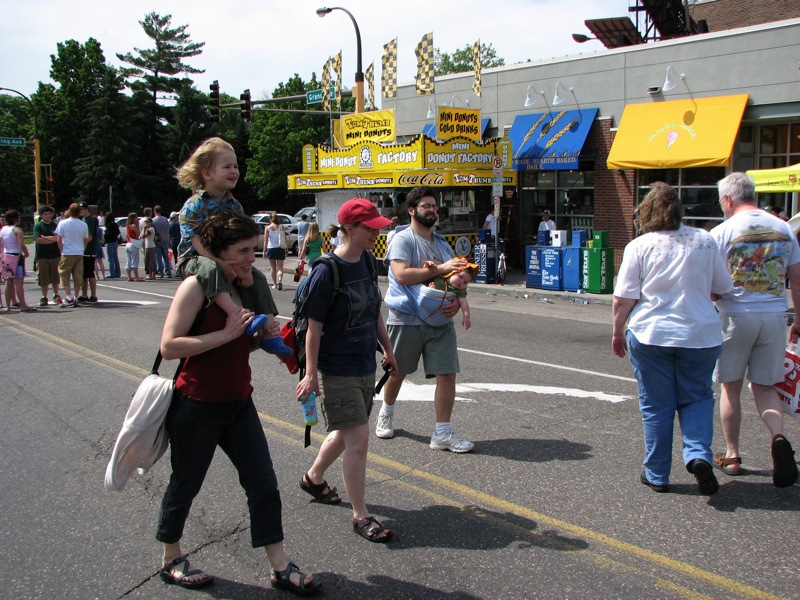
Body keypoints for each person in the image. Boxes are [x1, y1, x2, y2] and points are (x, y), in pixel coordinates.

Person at [157, 212, 321, 594]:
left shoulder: (244, 286)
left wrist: (261, 338)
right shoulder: (196, 287)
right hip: (196, 404)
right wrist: (226, 333)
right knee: (185, 485)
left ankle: (279, 566)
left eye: (254, 249)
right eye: (242, 251)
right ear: (217, 252)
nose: (252, 257)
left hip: (238, 402)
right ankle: (171, 557)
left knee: (263, 483)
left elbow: (243, 342)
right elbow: (169, 347)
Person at [612, 182, 733, 495]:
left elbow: (623, 297)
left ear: (647, 213)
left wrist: (617, 331)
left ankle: (657, 474)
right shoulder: (705, 242)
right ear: (679, 210)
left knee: (657, 405)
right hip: (701, 333)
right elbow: (723, 287)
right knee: (697, 397)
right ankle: (697, 456)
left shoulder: (640, 246)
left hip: (651, 333)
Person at [296, 198, 398, 543]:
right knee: (358, 439)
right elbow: (313, 327)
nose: (376, 233)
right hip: (336, 367)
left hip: (363, 364)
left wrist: (387, 348)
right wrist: (311, 375)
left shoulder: (368, 262)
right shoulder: (327, 271)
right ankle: (361, 515)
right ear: (350, 230)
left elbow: (374, 310)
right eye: (370, 228)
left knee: (344, 432)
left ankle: (313, 477)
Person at [710, 172, 800, 488]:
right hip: (775, 315)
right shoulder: (783, 229)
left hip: (735, 316)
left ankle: (733, 454)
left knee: (730, 386)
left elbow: (712, 284)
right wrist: (798, 320)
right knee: (765, 387)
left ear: (728, 199)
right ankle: (778, 437)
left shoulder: (721, 232)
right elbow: (796, 279)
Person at [376, 186, 474, 452]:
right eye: (425, 206)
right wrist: (441, 268)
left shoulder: (442, 244)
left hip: (439, 322)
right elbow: (401, 275)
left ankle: (442, 433)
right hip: (406, 319)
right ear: (411, 210)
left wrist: (455, 304)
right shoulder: (402, 239)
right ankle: (386, 411)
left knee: (447, 374)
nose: (432, 210)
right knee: (398, 373)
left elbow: (453, 282)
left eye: (434, 206)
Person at [175, 137, 288, 357]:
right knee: (209, 268)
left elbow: (241, 240)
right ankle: (241, 316)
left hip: (226, 259)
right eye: (226, 166)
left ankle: (270, 332)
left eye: (235, 166)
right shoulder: (193, 205)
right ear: (207, 173)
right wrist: (222, 264)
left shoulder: (234, 204)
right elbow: (196, 242)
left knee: (259, 277)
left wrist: (243, 269)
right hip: (195, 259)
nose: (234, 171)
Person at [424, 260, 478, 330]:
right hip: (426, 310)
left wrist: (466, 317)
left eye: (465, 282)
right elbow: (425, 277)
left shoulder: (459, 290)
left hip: (442, 315)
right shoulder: (440, 278)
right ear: (452, 272)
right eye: (460, 277)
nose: (461, 282)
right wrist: (427, 265)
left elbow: (464, 303)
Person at [1, 209, 36, 312]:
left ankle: (8, 306)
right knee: (19, 282)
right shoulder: (17, 230)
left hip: (6, 256)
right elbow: (21, 244)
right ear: (16, 218)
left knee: (8, 281)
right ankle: (23, 305)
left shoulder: (3, 229)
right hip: (16, 257)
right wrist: (27, 253)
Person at [55, 203, 90, 308]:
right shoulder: (83, 224)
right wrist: (82, 249)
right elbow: (85, 239)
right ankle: (76, 297)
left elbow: (59, 239)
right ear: (79, 212)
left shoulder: (63, 223)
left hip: (68, 252)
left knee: (64, 274)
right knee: (77, 275)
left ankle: (69, 296)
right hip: (79, 252)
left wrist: (61, 250)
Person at [33, 205, 62, 306]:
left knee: (55, 276)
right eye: (45, 214)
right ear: (41, 215)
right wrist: (51, 239)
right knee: (44, 277)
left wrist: (46, 238)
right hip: (42, 255)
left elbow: (58, 238)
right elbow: (38, 240)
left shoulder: (55, 225)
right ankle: (44, 296)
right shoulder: (38, 226)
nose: (48, 215)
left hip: (55, 254)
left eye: (49, 213)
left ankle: (56, 294)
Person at [79, 203, 100, 302]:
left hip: (89, 250)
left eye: (83, 209)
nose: (81, 211)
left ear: (87, 209)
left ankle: (93, 295)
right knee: (84, 274)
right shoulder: (83, 220)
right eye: (80, 209)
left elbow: (89, 237)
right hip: (84, 251)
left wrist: (80, 245)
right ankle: (84, 294)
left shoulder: (90, 220)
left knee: (90, 273)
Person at [263, 213, 286, 290]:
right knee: (280, 268)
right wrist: (286, 249)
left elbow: (265, 241)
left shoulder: (267, 228)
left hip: (271, 248)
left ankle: (275, 284)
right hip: (280, 248)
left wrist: (264, 251)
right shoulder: (281, 227)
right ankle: (280, 280)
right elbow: (284, 238)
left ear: (270, 219)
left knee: (273, 268)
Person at [153, 205, 172, 278]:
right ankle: (168, 271)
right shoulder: (165, 219)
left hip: (158, 240)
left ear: (155, 211)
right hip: (165, 239)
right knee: (166, 256)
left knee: (158, 257)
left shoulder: (154, 220)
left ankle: (160, 272)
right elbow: (168, 230)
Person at [125, 212, 145, 282]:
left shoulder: (127, 226)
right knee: (135, 261)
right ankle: (137, 277)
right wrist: (137, 225)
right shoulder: (133, 226)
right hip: (133, 244)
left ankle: (129, 277)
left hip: (128, 244)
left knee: (128, 261)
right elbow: (138, 234)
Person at [103, 212, 122, 279]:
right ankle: (118, 273)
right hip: (115, 241)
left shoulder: (109, 225)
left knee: (110, 259)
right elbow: (117, 232)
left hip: (110, 242)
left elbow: (107, 234)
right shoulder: (115, 224)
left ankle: (112, 273)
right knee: (115, 258)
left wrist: (104, 234)